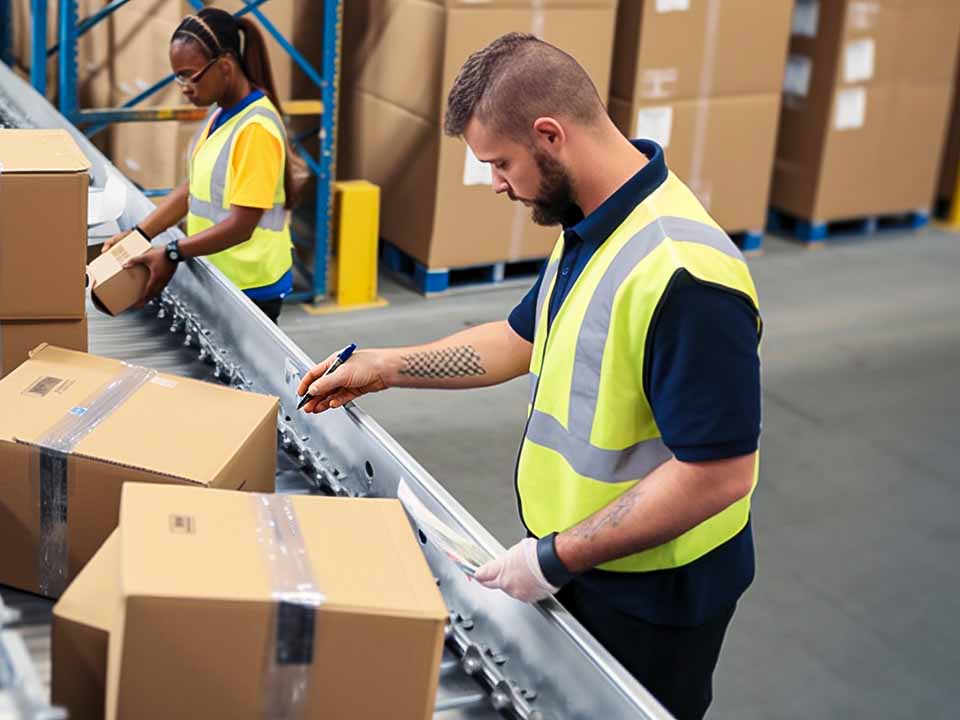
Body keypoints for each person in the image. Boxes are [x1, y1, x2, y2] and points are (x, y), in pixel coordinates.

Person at [295, 33, 761, 720]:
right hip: (588, 564)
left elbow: (719, 474)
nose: (496, 184)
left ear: (549, 135)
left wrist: (554, 558)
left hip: (654, 594)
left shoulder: (683, 275)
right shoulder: (594, 226)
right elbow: (518, 341)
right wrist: (384, 367)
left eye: (500, 163)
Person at [100, 7, 300, 323]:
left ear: (225, 65)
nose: (184, 86)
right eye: (178, 76)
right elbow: (194, 189)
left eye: (189, 75)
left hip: (250, 287)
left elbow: (241, 226)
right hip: (219, 274)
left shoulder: (256, 129)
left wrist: (173, 252)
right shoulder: (221, 114)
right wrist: (138, 235)